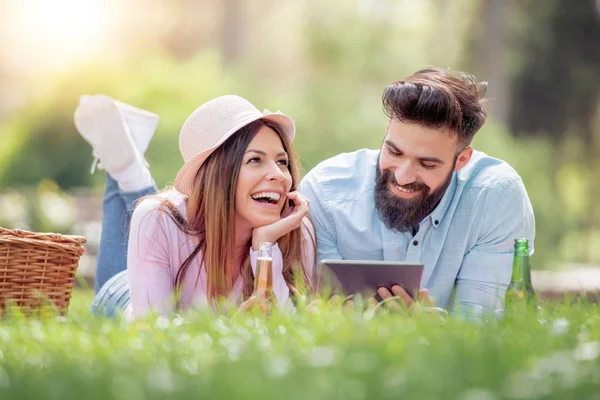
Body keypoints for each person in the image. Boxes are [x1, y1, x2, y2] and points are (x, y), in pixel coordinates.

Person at [299, 67, 535, 319]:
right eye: (394, 152)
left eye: (427, 164)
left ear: (462, 160)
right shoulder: (325, 192)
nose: (403, 176)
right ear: (387, 129)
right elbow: (318, 312)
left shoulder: (495, 198)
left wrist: (429, 330)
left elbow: (481, 327)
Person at [74, 94, 315, 319]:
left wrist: (265, 246)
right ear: (217, 173)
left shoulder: (293, 227)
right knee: (150, 213)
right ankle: (131, 174)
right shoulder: (157, 217)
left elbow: (284, 328)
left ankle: (129, 171)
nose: (279, 175)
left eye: (282, 162)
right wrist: (232, 329)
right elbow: (152, 329)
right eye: (254, 160)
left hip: (160, 262)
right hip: (122, 298)